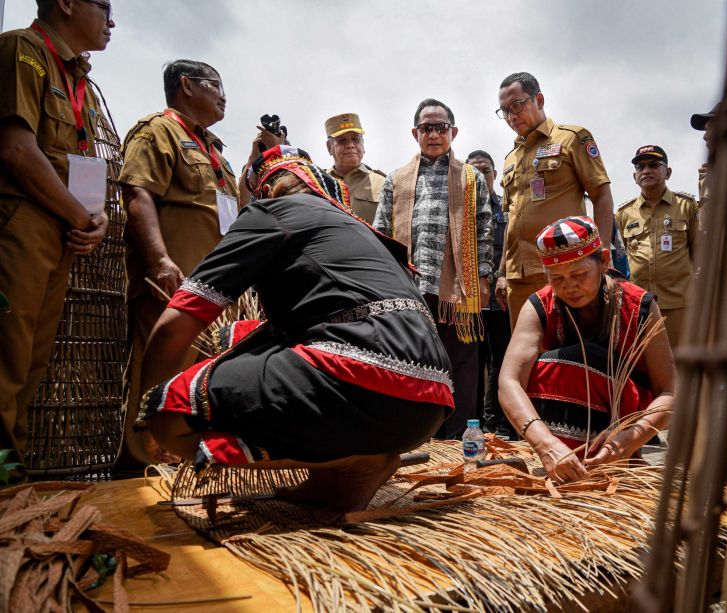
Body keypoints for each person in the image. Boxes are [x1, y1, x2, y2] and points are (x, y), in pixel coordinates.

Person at [137, 146, 452, 512]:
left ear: (268, 192)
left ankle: (357, 462)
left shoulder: (272, 212)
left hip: (365, 384)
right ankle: (332, 473)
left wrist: (147, 412)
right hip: (429, 404)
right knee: (240, 336)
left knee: (169, 411)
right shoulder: (360, 231)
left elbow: (175, 326)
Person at [0, 0, 114, 462]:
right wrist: (81, 216)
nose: (113, 20)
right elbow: (18, 151)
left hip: (60, 231)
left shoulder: (75, 78)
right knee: (6, 357)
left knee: (30, 364)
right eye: (104, 5)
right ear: (66, 2)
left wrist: (93, 216)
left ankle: (11, 481)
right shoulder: (21, 51)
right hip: (20, 223)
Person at [118, 59, 239, 465]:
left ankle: (187, 461)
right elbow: (138, 193)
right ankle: (143, 467)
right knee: (159, 371)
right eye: (215, 85)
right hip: (174, 279)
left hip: (214, 288)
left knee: (201, 377)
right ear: (187, 85)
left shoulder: (216, 152)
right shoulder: (158, 130)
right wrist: (159, 260)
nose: (223, 95)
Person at [498, 216, 675, 482]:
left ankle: (611, 461)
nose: (569, 285)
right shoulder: (539, 306)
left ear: (604, 261)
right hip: (555, 441)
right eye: (556, 278)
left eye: (579, 274)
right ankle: (563, 456)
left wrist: (630, 437)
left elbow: (671, 391)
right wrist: (545, 443)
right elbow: (509, 381)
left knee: (586, 360)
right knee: (553, 365)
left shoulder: (639, 307)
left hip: (621, 428)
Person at [373, 98, 492, 439]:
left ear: (453, 132)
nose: (435, 134)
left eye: (441, 127)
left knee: (462, 365)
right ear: (416, 133)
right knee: (413, 362)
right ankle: (416, 437)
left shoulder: (471, 178)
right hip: (410, 287)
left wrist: (483, 276)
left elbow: (484, 228)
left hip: (458, 290)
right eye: (427, 127)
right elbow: (381, 231)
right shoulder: (396, 180)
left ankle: (456, 439)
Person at [495, 71, 614, 327]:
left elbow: (601, 195)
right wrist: (502, 272)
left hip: (566, 270)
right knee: (527, 352)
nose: (512, 116)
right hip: (519, 275)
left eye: (517, 105)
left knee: (571, 348)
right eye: (505, 110)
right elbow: (511, 219)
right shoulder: (510, 159)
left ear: (539, 99)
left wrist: (602, 252)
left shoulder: (572, 138)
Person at [616, 146, 699, 347]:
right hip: (640, 305)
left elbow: (700, 256)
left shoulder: (687, 206)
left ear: (667, 172)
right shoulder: (623, 213)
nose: (646, 171)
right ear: (634, 176)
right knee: (643, 365)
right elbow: (621, 258)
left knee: (681, 364)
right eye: (640, 167)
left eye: (653, 165)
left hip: (680, 306)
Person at [466, 149, 513, 437]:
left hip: (500, 298)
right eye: (474, 170)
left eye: (485, 170)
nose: (481, 175)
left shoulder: (506, 209)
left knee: (503, 358)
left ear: (494, 175)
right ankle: (473, 421)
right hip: (468, 300)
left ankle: (498, 418)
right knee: (473, 359)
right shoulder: (459, 209)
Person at [324, 113, 386, 224]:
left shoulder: (383, 183)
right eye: (341, 140)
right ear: (329, 147)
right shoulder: (318, 183)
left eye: (356, 139)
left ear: (363, 144)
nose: (350, 145)